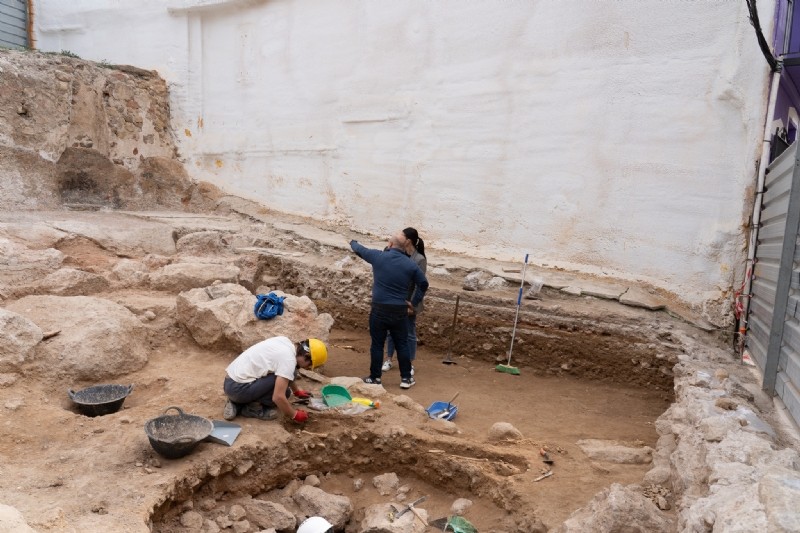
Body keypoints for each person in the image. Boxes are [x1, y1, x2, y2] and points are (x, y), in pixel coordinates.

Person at [350, 235, 429, 388]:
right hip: (399, 310)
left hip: (379, 308)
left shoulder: (378, 256)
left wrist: (352, 241)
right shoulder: (410, 264)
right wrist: (412, 303)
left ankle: (375, 378)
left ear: (391, 244)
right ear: (404, 246)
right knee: (402, 344)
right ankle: (406, 378)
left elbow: (360, 250)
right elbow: (423, 284)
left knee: (377, 344)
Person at [222, 336, 327, 422]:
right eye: (309, 365)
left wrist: (297, 391)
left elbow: (289, 373)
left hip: (231, 382)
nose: (307, 368)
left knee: (290, 375)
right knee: (284, 394)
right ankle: (251, 408)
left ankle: (236, 402)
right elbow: (278, 397)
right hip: (238, 389)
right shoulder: (288, 360)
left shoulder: (285, 342)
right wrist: (294, 415)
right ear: (306, 356)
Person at [383, 227, 427, 375]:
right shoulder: (398, 253)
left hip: (409, 301)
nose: (398, 236)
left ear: (408, 240)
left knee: (409, 332)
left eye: (401, 234)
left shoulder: (419, 259)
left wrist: (412, 304)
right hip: (396, 299)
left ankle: (409, 363)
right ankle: (389, 359)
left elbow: (419, 284)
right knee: (390, 331)